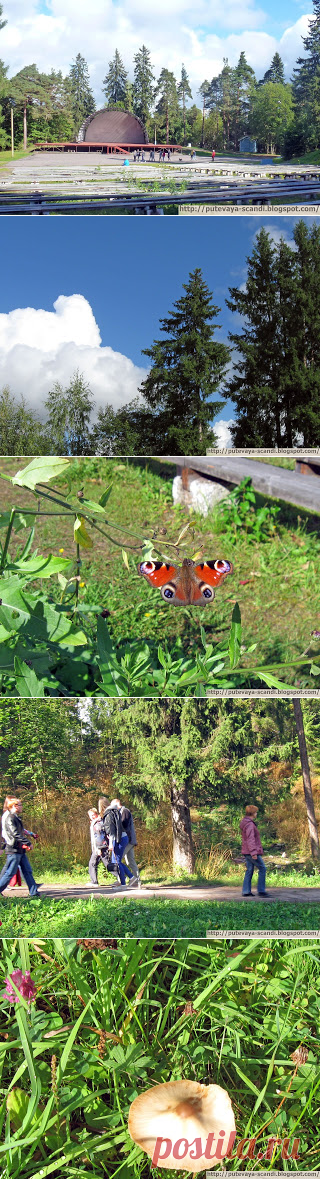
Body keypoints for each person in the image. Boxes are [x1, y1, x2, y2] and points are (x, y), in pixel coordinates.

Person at [0, 797, 39, 900]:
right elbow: (15, 834)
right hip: (13, 850)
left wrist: (30, 836)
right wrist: (27, 842)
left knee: (27, 870)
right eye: (20, 805)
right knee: (10, 873)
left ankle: (34, 892)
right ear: (14, 806)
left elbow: (21, 831)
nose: (22, 807)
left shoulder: (15, 817)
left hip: (20, 850)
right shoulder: (10, 818)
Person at [98, 797, 135, 887]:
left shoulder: (109, 814)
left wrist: (111, 843)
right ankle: (131, 877)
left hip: (119, 838)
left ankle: (124, 883)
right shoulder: (114, 811)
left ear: (101, 806)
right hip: (122, 837)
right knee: (116, 861)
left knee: (116, 862)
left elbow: (111, 830)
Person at [239, 805, 270, 897]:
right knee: (262, 868)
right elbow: (250, 839)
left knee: (249, 870)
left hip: (246, 851)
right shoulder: (250, 825)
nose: (256, 814)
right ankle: (261, 890)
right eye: (256, 812)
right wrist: (253, 852)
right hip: (250, 851)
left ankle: (246, 891)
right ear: (252, 813)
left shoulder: (246, 823)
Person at [112, 798, 140, 887]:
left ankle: (122, 879)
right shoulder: (120, 812)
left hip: (128, 839)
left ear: (116, 804)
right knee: (130, 861)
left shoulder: (125, 811)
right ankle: (136, 880)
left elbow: (125, 825)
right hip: (127, 839)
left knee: (117, 859)